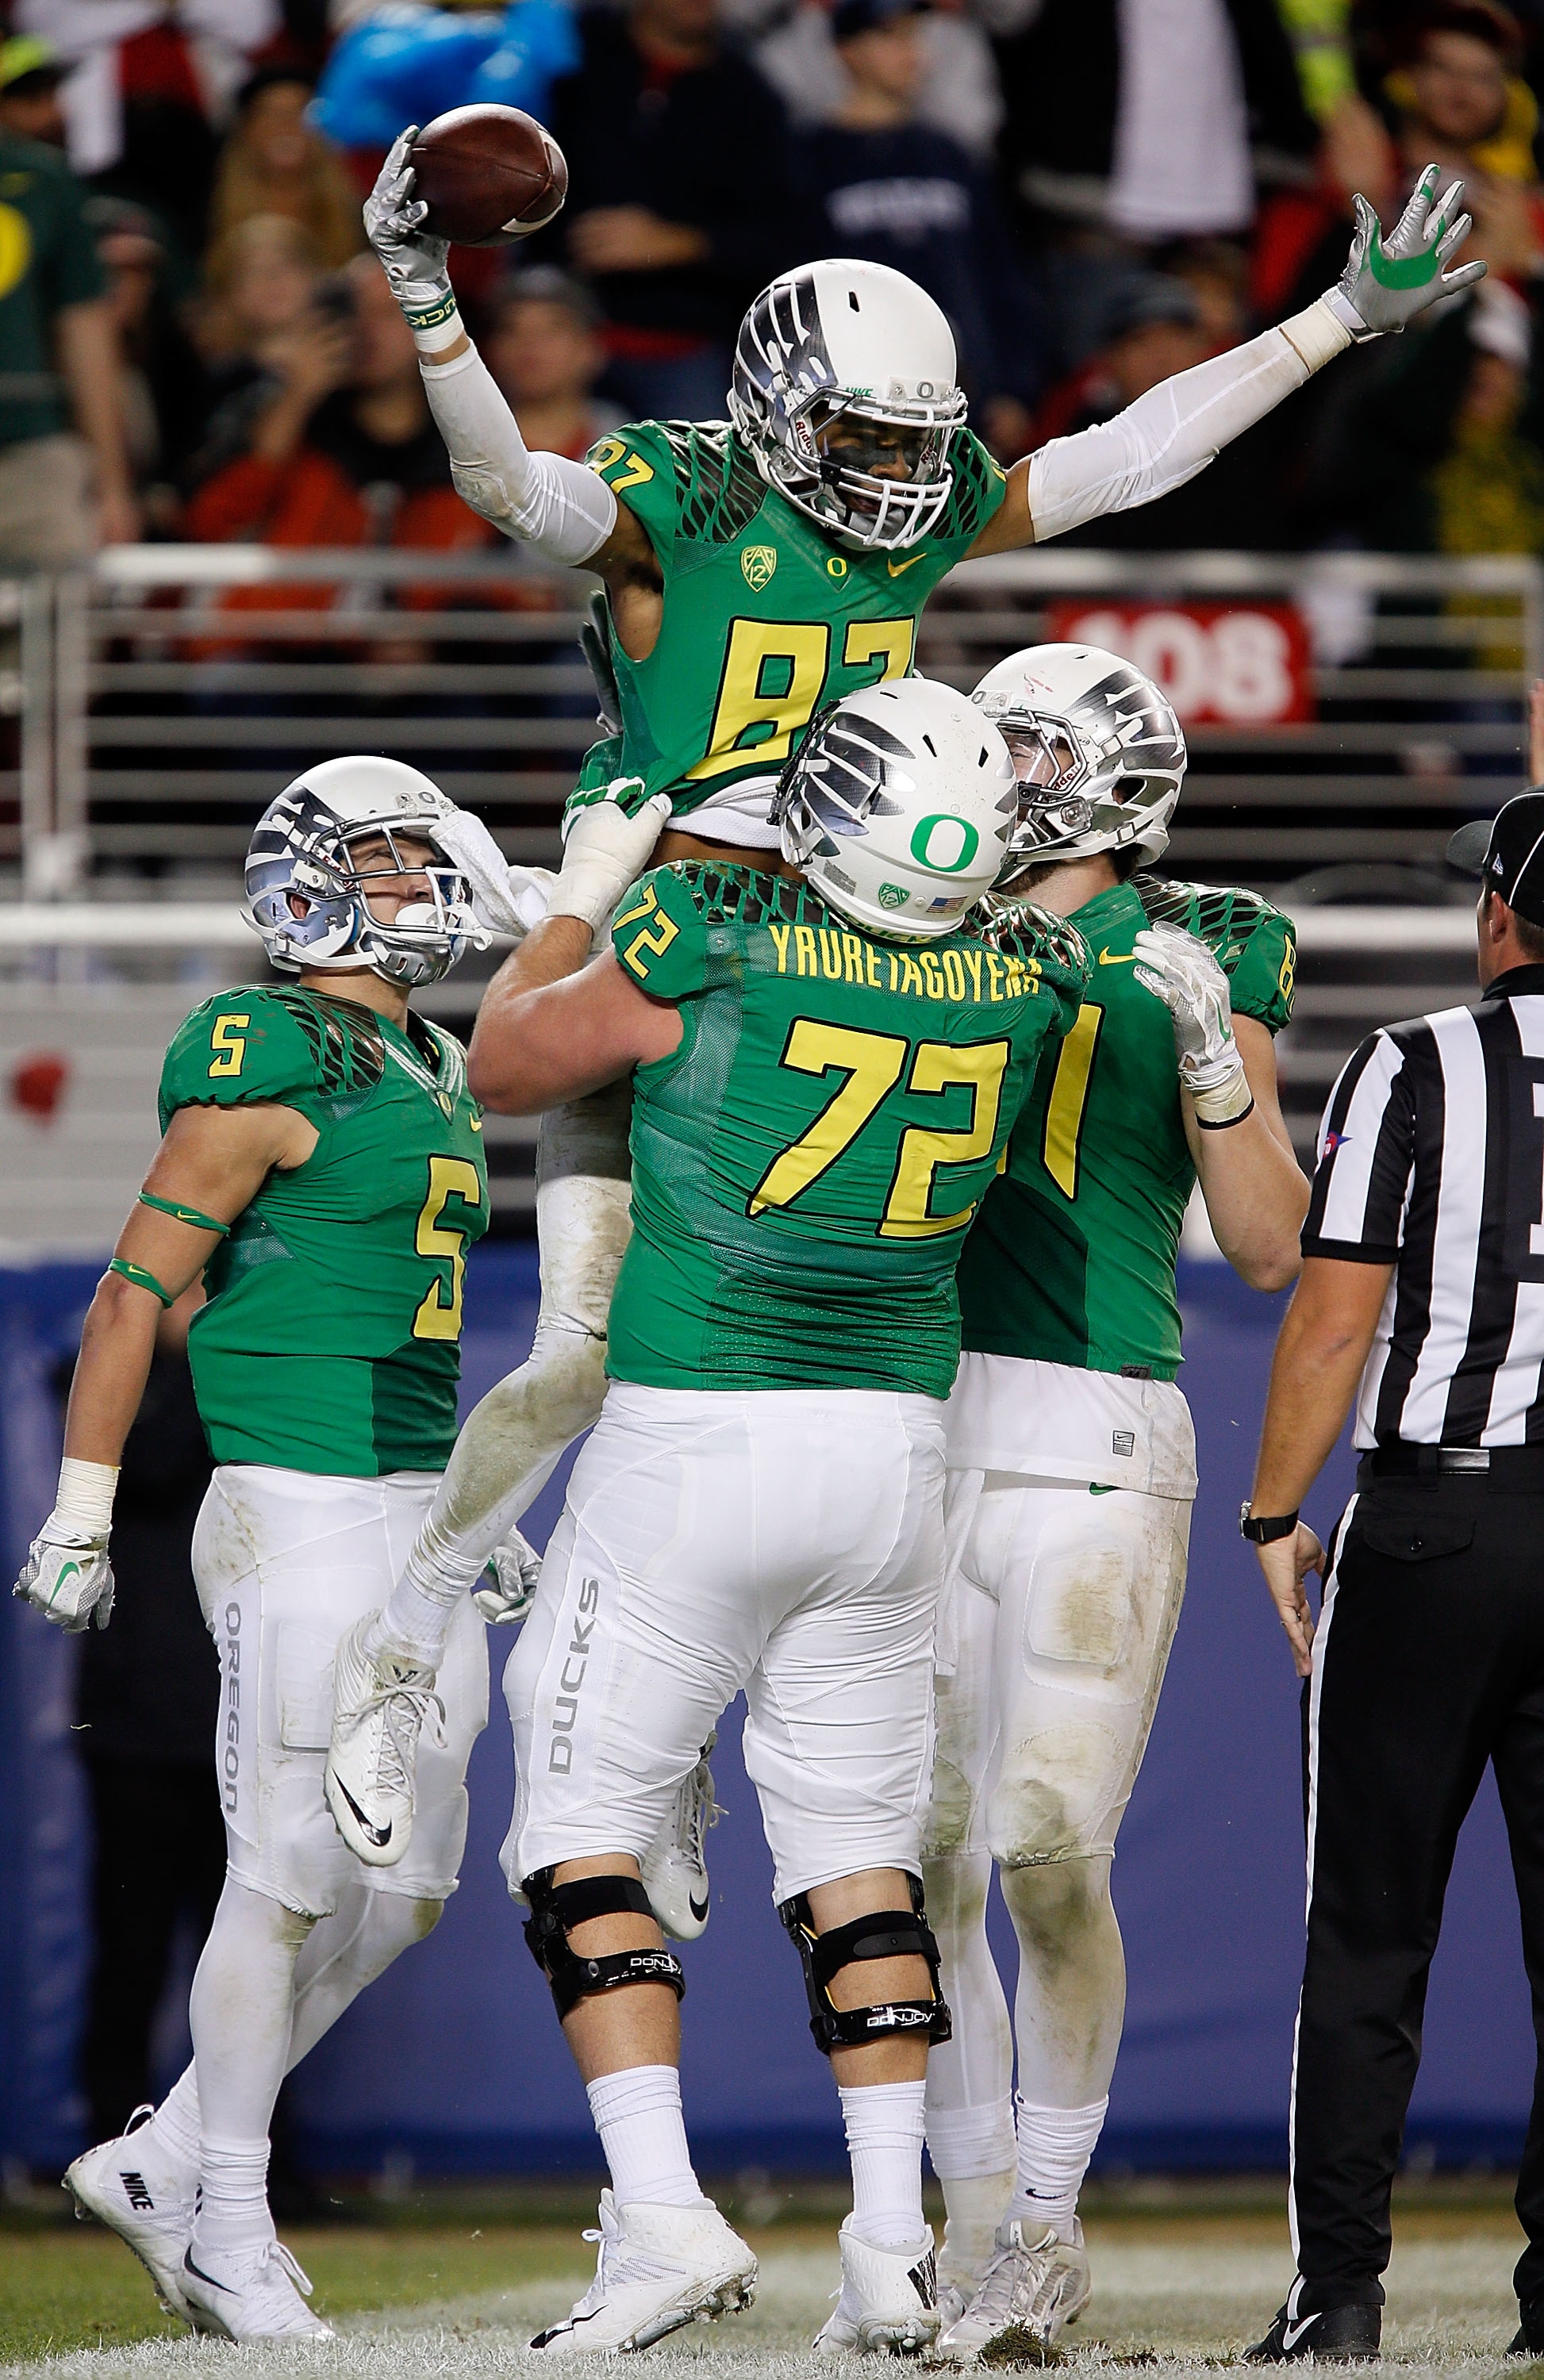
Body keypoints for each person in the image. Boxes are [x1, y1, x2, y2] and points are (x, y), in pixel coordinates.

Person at [326, 140, 1485, 1870]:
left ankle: (672, 1726)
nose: (894, 476)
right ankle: (410, 1639)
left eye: (910, 443)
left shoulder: (923, 497)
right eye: (861, 438)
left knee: (799, 1405)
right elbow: (521, 493)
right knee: (581, 1357)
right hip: (668, 927)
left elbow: (1122, 457)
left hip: (828, 957)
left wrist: (1331, 321)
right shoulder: (689, 499)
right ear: (781, 413)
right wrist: (427, 298)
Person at [417, 678, 1090, 2354]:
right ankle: (882, 2244)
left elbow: (506, 1060)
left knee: (570, 1827)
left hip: (698, 1439)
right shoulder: (1027, 984)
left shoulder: (705, 929)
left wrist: (579, 894)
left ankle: (656, 2215)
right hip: (888, 1465)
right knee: (859, 1863)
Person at [10, 756, 524, 2341]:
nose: (413, 878)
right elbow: (127, 1294)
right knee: (294, 1862)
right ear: (306, 883)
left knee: (412, 1885)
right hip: (294, 1500)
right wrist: (84, 1508)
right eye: (381, 857)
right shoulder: (267, 1042)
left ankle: (173, 2149)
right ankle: (225, 2207)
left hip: (413, 1508)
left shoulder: (431, 1054)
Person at [916, 644, 1308, 2360]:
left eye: (1020, 746)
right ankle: (971, 2224)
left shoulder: (1209, 941)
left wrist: (1213, 1065)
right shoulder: (904, 898)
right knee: (916, 1864)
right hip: (905, 1426)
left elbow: (1274, 1243)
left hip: (1089, 1422)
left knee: (1044, 1848)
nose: (986, 768)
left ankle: (1049, 2226)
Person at [1240, 785, 1544, 2363]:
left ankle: (1339, 2292)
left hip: (1434, 1521)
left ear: (1496, 916)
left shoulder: (1419, 1061)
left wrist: (1270, 1513)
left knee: (1366, 1928)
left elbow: (1333, 1312)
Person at [793, 0, 1039, 447]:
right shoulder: (809, 160)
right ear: (846, 50)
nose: (910, 50)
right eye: (889, 36)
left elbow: (1001, 278)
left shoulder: (951, 155)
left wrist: (1014, 388)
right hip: (858, 404)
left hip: (967, 397)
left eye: (912, 34)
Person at [542, 0, 798, 421]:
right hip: (559, 330)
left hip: (685, 347)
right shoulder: (573, 58)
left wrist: (680, 244)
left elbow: (784, 237)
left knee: (693, 483)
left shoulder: (750, 96)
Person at [0, 80, 138, 559]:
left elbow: (87, 335)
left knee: (55, 626)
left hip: (30, 454)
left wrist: (112, 485)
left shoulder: (43, 181)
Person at [205, 67, 364, 273]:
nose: (285, 124)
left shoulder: (365, 215)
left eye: (301, 111)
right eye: (269, 113)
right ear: (246, 131)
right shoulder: (207, 212)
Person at [482, 268, 625, 463]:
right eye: (511, 329)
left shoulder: (632, 450)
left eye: (552, 330)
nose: (530, 343)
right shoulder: (459, 447)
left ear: (590, 349)